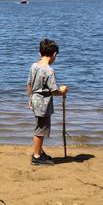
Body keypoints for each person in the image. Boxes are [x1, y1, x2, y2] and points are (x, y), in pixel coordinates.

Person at [27, 38, 68, 166]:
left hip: (35, 100)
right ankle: (36, 156)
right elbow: (54, 90)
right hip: (43, 105)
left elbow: (29, 84)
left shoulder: (34, 65)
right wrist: (62, 91)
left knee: (40, 127)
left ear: (40, 53)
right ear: (54, 54)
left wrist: (30, 98)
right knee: (41, 130)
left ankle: (39, 151)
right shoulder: (49, 71)